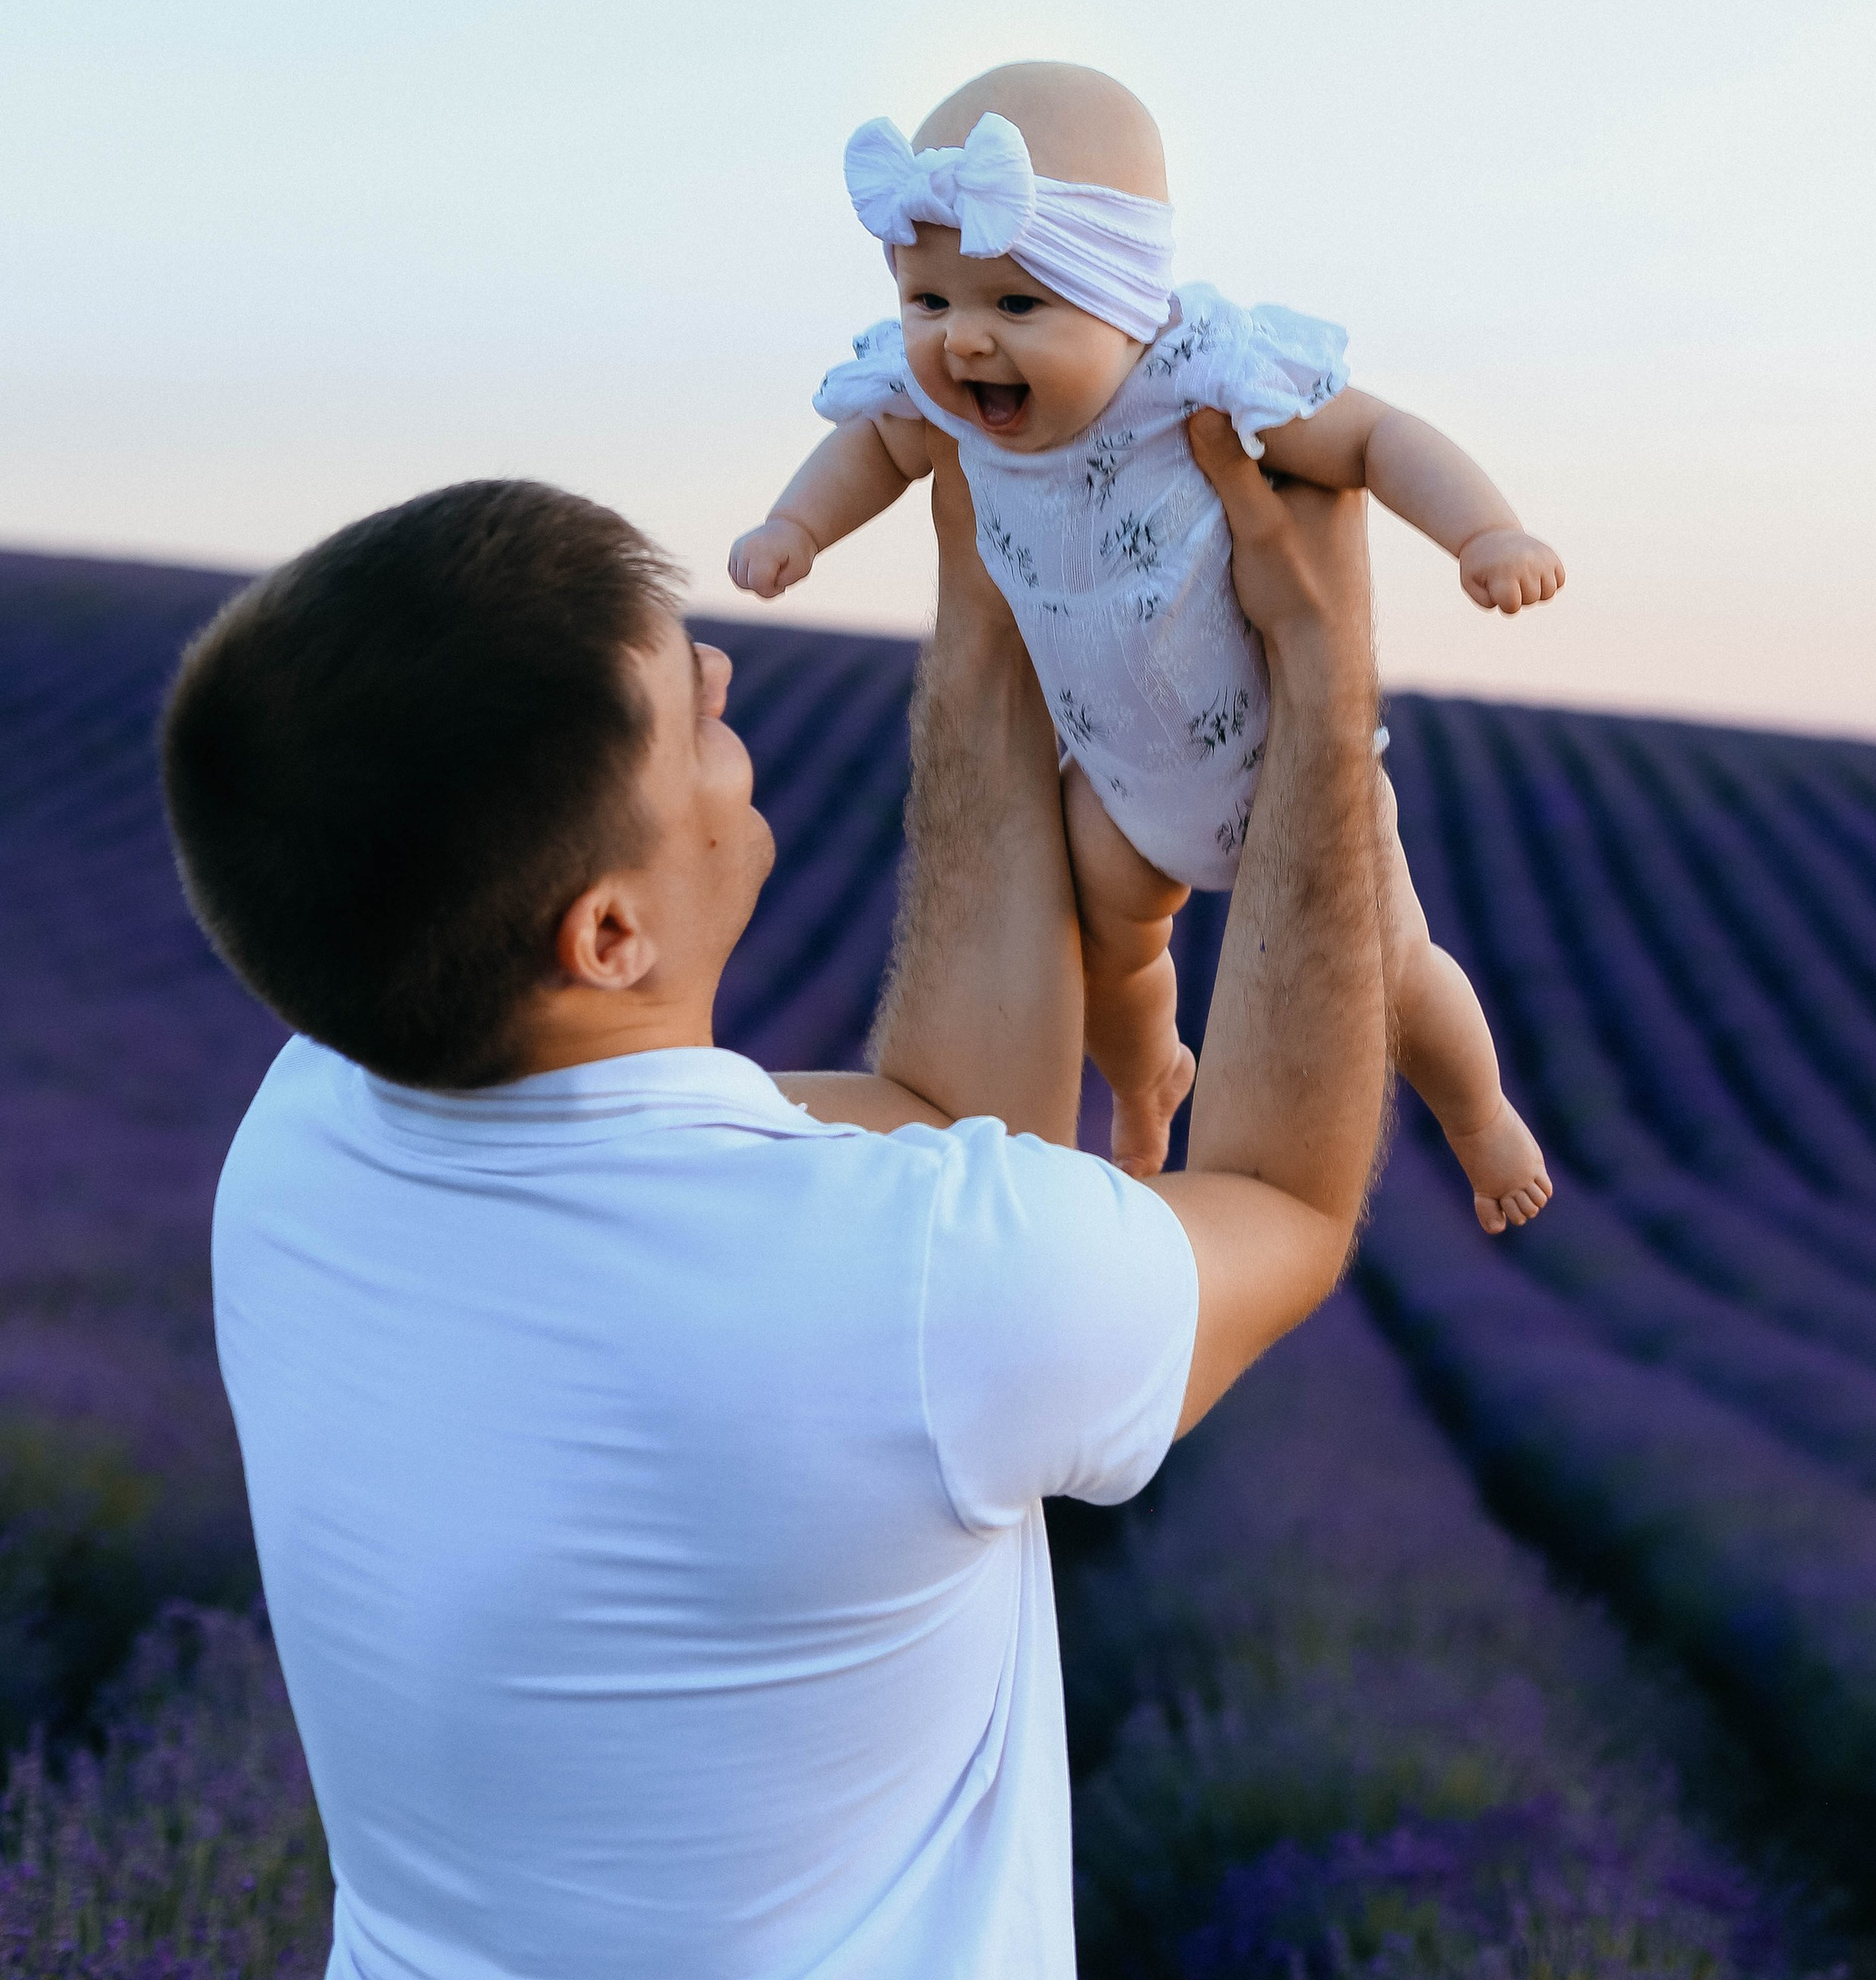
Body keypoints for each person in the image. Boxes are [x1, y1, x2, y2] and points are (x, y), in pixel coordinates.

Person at [165, 420, 1396, 1980]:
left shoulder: (312, 1129)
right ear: (607, 937)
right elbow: (1284, 1200)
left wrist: (997, 577)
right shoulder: (915, 1296)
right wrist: (1323, 674)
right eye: (687, 712)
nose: (728, 686)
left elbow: (939, 1130)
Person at [729, 58, 1557, 1216]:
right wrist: (795, 526)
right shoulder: (941, 412)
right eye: (930, 304)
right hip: (1119, 781)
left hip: (1283, 778)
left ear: (1123, 299)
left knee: (1392, 973)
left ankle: (1482, 1118)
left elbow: (1376, 440)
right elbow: (871, 448)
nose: (963, 343)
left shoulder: (1196, 382)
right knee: (1111, 954)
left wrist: (1486, 533)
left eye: (1017, 306)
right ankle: (1148, 1077)